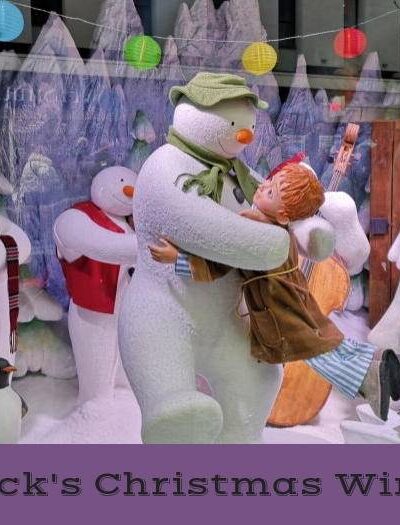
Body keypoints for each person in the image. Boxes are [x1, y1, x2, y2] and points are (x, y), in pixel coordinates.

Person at [149, 160, 400, 421]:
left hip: (280, 311)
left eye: (270, 192)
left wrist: (178, 258)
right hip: (296, 299)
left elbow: (221, 261)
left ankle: (367, 377)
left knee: (315, 352)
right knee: (328, 341)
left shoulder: (257, 232)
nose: (263, 186)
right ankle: (378, 361)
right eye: (270, 182)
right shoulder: (277, 228)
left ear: (282, 215)